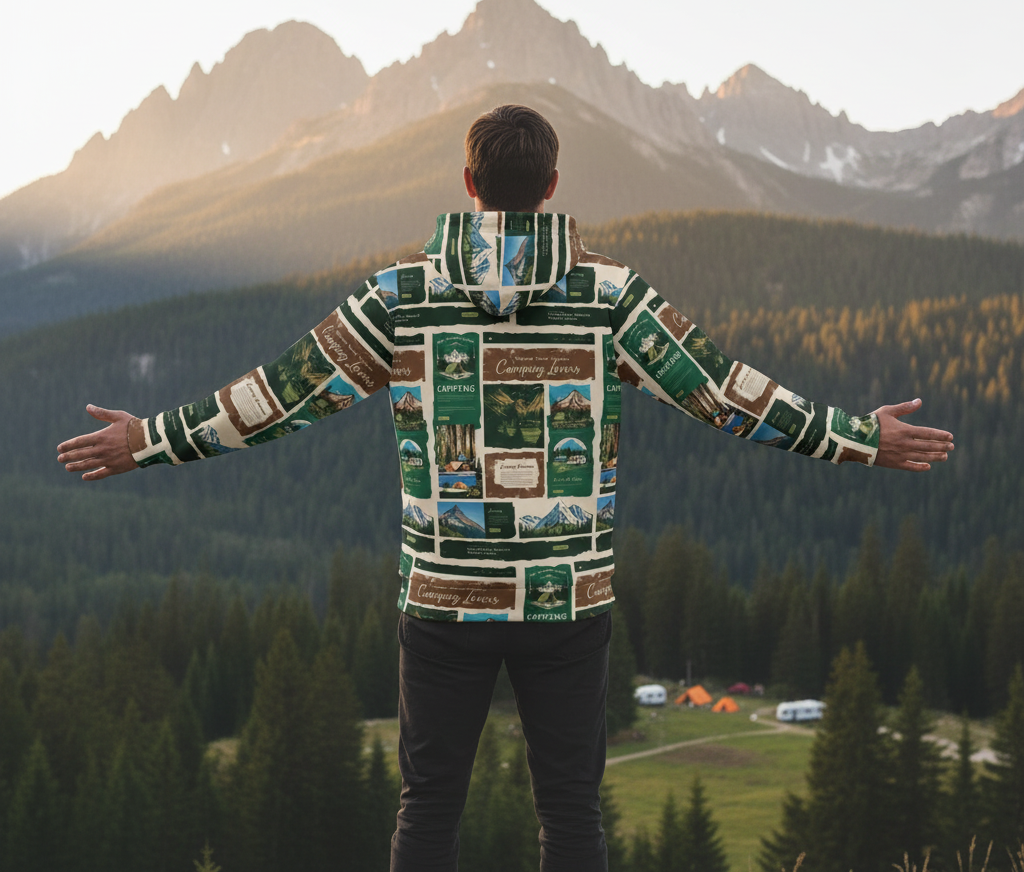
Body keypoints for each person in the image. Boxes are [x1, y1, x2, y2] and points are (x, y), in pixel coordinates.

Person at [57, 104, 954, 872]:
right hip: (568, 601)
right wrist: (860, 439)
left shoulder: (398, 300)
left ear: (468, 183)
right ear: (553, 185)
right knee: (571, 812)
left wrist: (148, 443)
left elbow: (278, 397)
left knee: (429, 806)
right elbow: (727, 394)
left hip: (443, 601)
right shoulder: (612, 298)